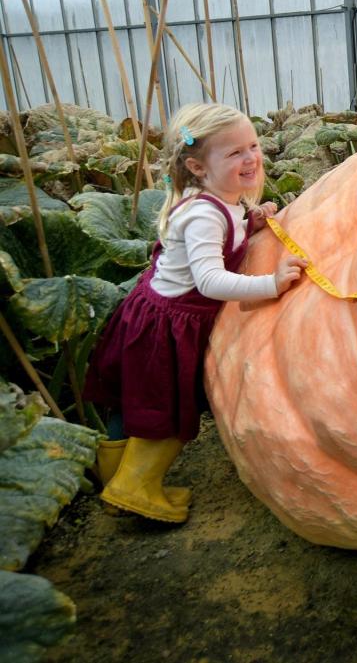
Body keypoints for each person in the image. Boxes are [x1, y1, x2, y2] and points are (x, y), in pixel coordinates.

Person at [84, 102, 307, 523]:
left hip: (151, 315)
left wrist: (252, 221)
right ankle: (136, 486)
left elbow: (227, 231)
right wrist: (271, 285)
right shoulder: (206, 214)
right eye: (234, 152)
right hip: (167, 326)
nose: (251, 157)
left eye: (253, 145)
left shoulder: (220, 201)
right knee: (165, 408)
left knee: (134, 399)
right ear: (197, 166)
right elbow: (210, 281)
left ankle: (117, 475)